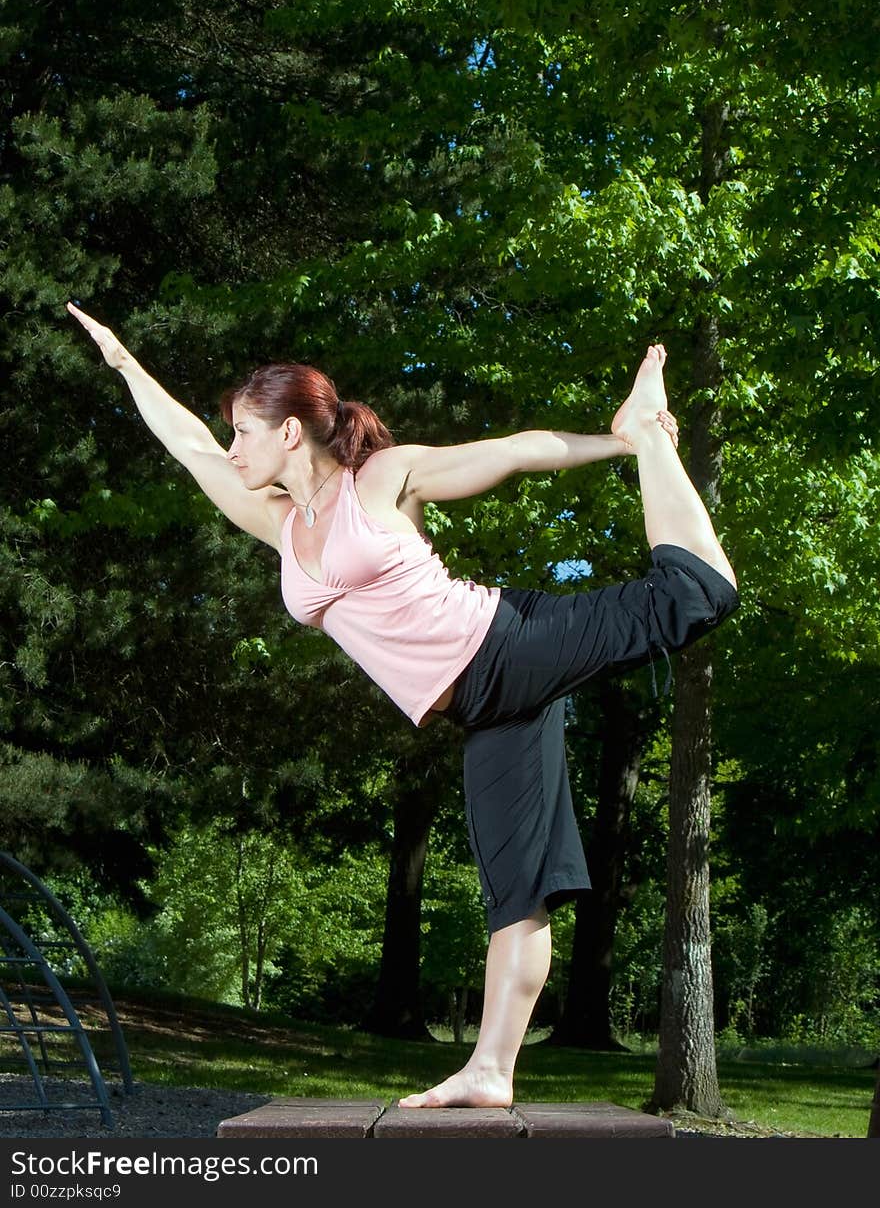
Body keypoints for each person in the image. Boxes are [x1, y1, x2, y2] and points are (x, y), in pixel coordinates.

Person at [67, 300, 739, 1109]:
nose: (233, 447)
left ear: (290, 431)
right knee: (517, 895)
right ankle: (492, 1070)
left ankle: (651, 441)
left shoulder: (378, 481)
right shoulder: (278, 525)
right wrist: (124, 364)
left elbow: (511, 453)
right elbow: (186, 446)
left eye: (245, 429)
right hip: (484, 713)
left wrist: (622, 440)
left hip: (510, 644)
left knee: (695, 597)